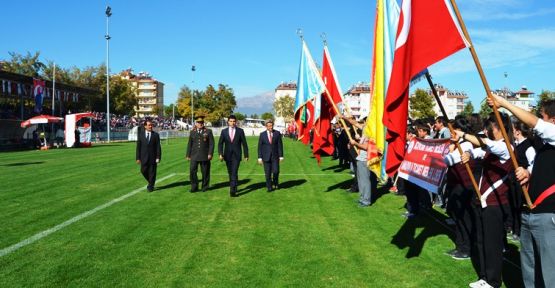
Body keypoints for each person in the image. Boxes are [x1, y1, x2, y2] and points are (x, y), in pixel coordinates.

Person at [488, 94, 555, 288]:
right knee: (529, 268)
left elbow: (535, 124)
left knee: (550, 273)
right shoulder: (544, 146)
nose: (538, 120)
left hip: (549, 215)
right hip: (531, 211)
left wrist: (505, 104)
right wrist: (527, 173)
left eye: (542, 116)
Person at [453, 113, 513, 288]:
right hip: (483, 202)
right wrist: (468, 154)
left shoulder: (506, 147)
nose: (487, 131)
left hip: (495, 203)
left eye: (490, 128)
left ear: (498, 128)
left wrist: (463, 134)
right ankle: (485, 277)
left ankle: (493, 281)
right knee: (481, 240)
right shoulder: (492, 148)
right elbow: (477, 150)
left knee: (492, 244)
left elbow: (486, 144)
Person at [218, 115, 249, 197]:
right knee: (230, 172)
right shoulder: (224, 131)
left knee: (234, 172)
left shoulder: (240, 131)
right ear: (228, 122)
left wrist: (246, 155)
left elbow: (244, 144)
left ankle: (232, 190)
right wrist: (220, 154)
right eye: (231, 121)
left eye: (234, 121)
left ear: (236, 122)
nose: (232, 123)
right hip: (227, 155)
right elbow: (220, 143)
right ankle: (234, 186)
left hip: (237, 155)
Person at [186, 116, 214, 192]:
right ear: (196, 123)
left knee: (205, 172)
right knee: (192, 171)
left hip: (204, 155)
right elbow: (190, 144)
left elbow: (211, 143)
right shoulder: (192, 132)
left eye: (201, 122)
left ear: (203, 123)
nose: (200, 124)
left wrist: (210, 153)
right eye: (198, 122)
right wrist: (188, 155)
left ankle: (205, 187)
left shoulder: (208, 131)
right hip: (194, 155)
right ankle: (194, 187)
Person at [257, 119, 284, 192]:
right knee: (267, 173)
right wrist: (259, 158)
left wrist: (281, 156)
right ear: (266, 126)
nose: (270, 127)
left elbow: (280, 145)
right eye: (268, 126)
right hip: (265, 157)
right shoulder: (262, 135)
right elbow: (259, 147)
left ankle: (275, 182)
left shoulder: (277, 133)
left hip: (275, 156)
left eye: (271, 125)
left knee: (276, 171)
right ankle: (269, 187)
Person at [136, 120, 162, 192]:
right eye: (149, 125)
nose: (150, 126)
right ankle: (151, 182)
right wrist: (137, 158)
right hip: (143, 157)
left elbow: (158, 147)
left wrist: (158, 157)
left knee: (152, 172)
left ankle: (150, 186)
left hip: (153, 158)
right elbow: (138, 147)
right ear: (145, 126)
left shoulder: (155, 135)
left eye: (151, 125)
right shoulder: (141, 135)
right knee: (143, 171)